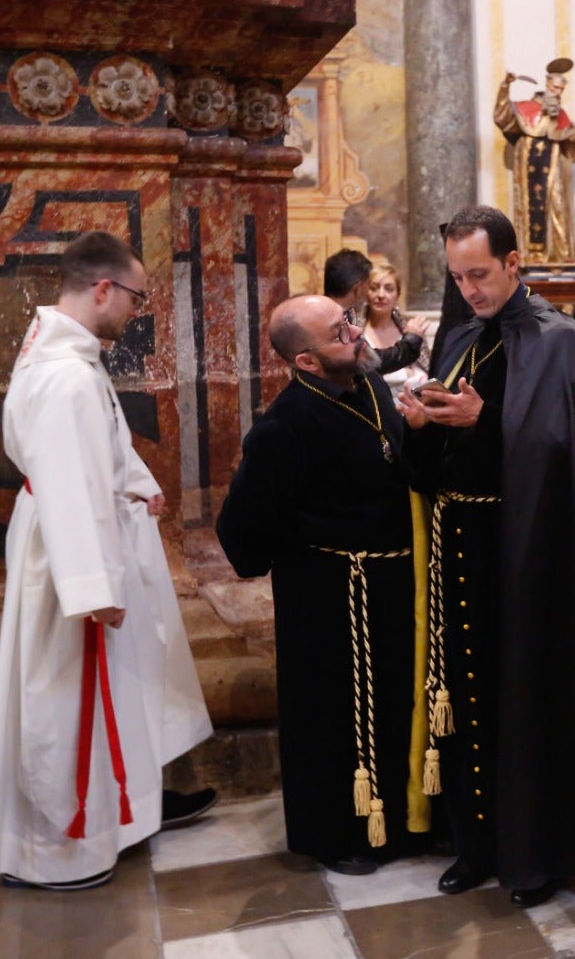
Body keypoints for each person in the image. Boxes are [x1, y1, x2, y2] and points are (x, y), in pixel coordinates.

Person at [394, 205, 575, 908]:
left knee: (527, 698)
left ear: (514, 264)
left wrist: (491, 421)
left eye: (479, 274)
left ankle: (536, 856)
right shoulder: (459, 339)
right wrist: (421, 425)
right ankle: (476, 846)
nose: (469, 290)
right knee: (468, 703)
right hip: (461, 550)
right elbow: (437, 457)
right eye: (456, 276)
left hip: (536, 551)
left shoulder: (563, 345)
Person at [0, 231, 214, 891]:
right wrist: (92, 585)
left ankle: (116, 819)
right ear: (102, 288)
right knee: (64, 704)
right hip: (66, 557)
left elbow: (94, 453)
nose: (139, 310)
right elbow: (67, 483)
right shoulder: (63, 377)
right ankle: (57, 853)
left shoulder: (70, 362)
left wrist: (137, 480)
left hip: (76, 542)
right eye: (137, 296)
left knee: (98, 697)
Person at [215, 294, 426, 874]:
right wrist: (305, 556)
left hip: (390, 586)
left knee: (392, 708)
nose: (356, 335)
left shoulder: (371, 386)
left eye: (350, 322)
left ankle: (403, 826)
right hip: (328, 601)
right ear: (306, 362)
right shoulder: (283, 427)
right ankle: (339, 837)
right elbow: (240, 535)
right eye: (339, 333)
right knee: (333, 721)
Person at [493, 59, 575, 266]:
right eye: (555, 87)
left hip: (554, 168)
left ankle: (560, 255)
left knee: (557, 206)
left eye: (561, 90)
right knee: (530, 208)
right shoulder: (525, 108)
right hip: (529, 166)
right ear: (547, 85)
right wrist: (505, 86)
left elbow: (569, 145)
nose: (558, 93)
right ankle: (531, 256)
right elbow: (502, 117)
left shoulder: (560, 115)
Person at [324, 248, 425, 377]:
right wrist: (410, 344)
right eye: (371, 287)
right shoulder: (335, 322)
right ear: (358, 289)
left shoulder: (327, 314)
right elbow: (366, 362)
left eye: (389, 289)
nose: (380, 295)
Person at [365, 261, 431, 391]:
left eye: (389, 289)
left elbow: (427, 375)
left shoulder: (412, 331)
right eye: (374, 288)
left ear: (397, 296)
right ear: (366, 294)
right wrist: (402, 373)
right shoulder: (356, 332)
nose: (381, 295)